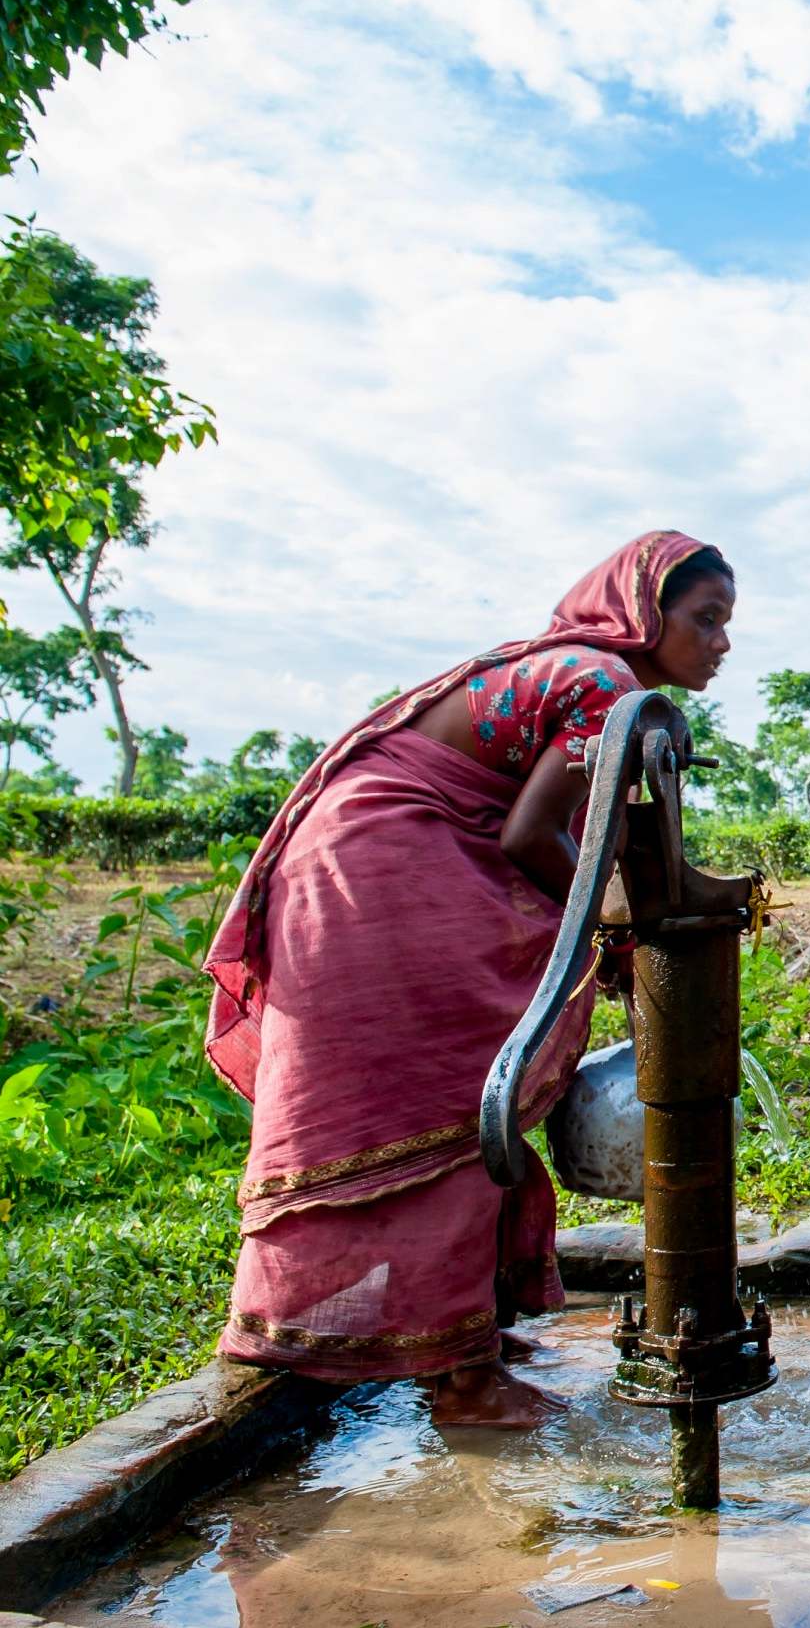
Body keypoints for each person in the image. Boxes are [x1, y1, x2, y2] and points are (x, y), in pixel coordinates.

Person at [203, 533, 736, 1427]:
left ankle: (467, 1329)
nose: (722, 642)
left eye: (728, 622)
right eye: (707, 618)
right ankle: (463, 1380)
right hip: (385, 862)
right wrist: (606, 937)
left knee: (469, 1095)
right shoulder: (605, 686)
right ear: (646, 611)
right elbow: (529, 837)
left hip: (372, 852)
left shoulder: (590, 678)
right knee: (452, 1099)